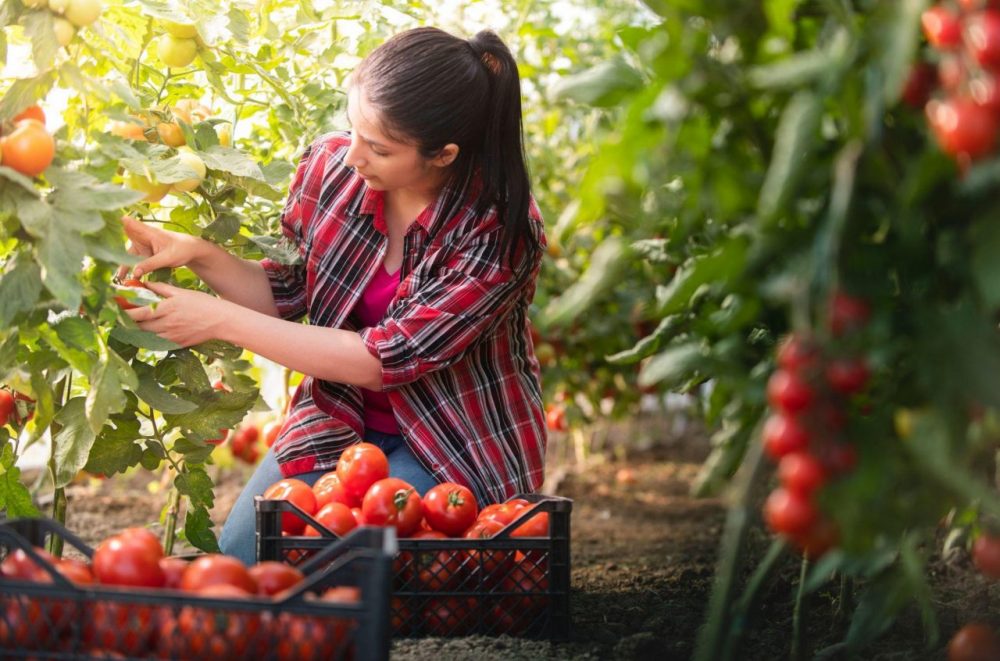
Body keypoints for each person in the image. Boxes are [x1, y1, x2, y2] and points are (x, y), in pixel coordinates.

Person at [120, 26, 548, 564]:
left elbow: (382, 360)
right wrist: (197, 252)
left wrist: (218, 321)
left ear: (442, 155)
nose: (353, 157)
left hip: (452, 440)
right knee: (243, 559)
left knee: (357, 571)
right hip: (338, 421)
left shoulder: (497, 230)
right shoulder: (331, 170)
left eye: (379, 148)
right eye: (354, 131)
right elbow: (285, 289)